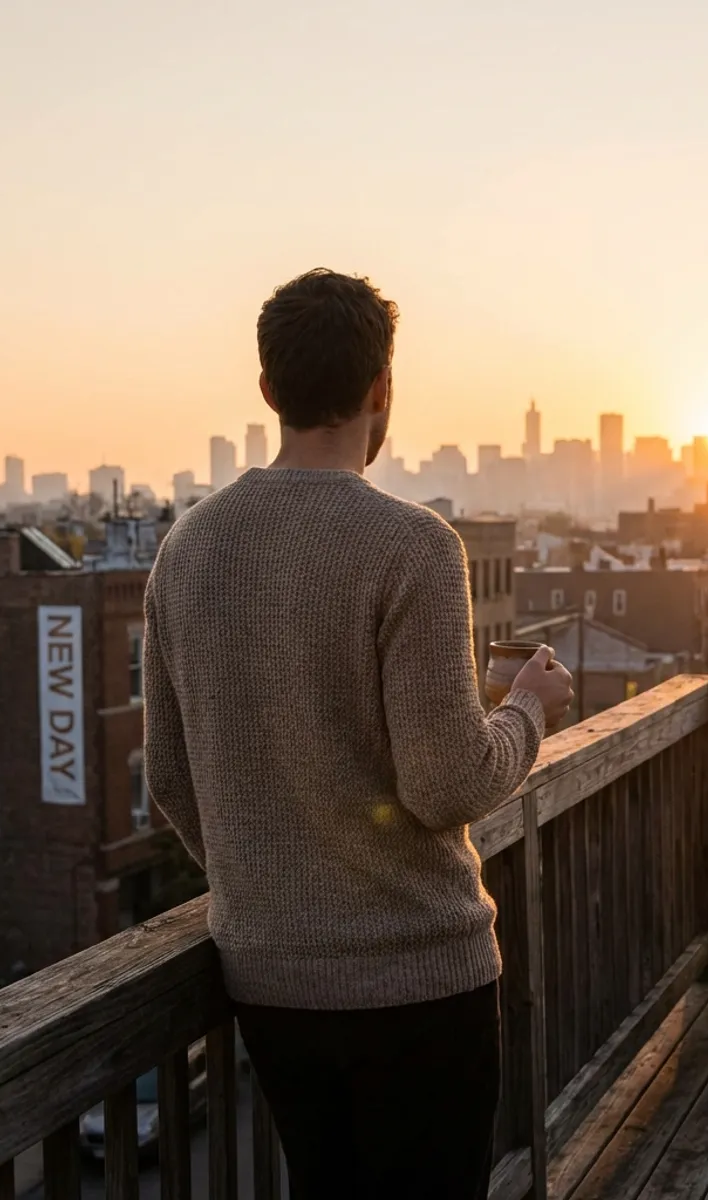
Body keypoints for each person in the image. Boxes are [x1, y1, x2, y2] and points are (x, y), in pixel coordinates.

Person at [143, 268, 574, 1198]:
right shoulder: (413, 544)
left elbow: (171, 778)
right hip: (420, 983)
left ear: (269, 391)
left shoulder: (188, 549)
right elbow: (446, 785)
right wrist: (529, 710)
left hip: (269, 985)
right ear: (383, 389)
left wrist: (269, 885)